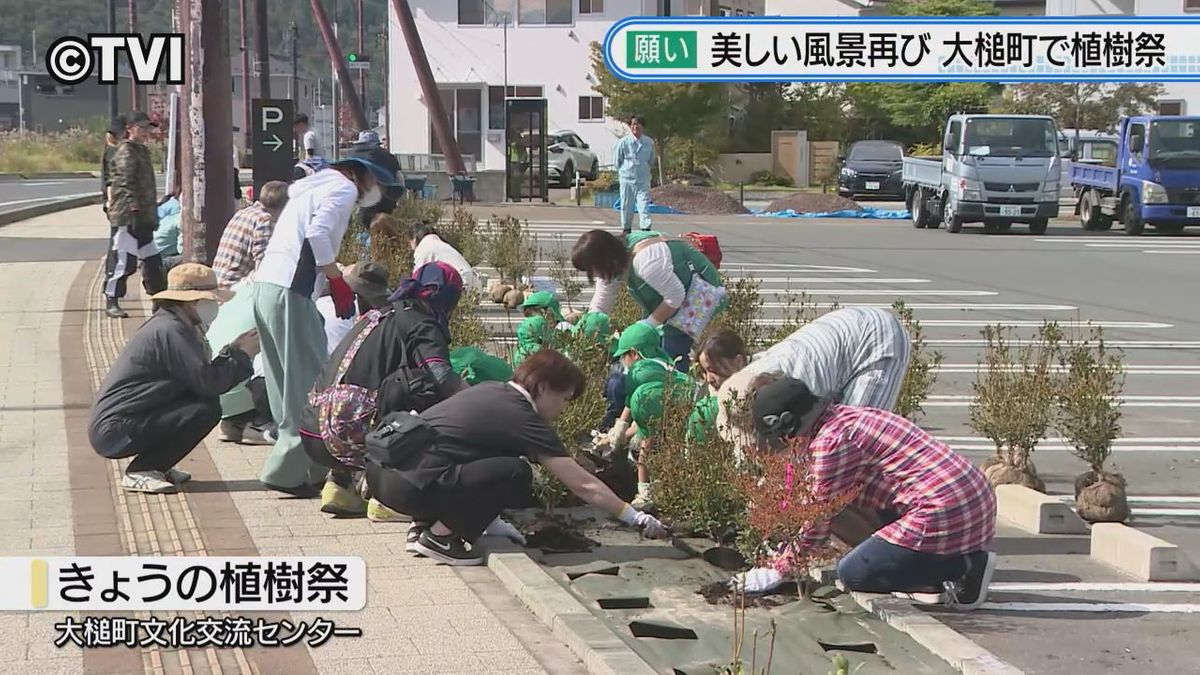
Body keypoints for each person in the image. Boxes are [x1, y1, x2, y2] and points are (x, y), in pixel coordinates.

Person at [365, 349, 671, 566]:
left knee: (473, 459)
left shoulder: (491, 390)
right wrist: (635, 516)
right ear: (543, 388)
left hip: (385, 476)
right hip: (408, 484)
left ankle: (423, 529)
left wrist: (489, 521)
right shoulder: (521, 414)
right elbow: (581, 484)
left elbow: (464, 453)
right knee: (517, 473)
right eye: (564, 399)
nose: (563, 409)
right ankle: (439, 538)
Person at [726, 378, 997, 611]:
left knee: (854, 573)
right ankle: (921, 564)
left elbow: (817, 518)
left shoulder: (830, 443)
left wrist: (777, 569)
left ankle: (963, 567)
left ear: (790, 425)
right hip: (968, 496)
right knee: (846, 512)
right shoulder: (844, 418)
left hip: (946, 507)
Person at [251, 155, 400, 497]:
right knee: (309, 384)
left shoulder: (310, 188)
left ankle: (305, 465)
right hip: (292, 290)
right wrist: (337, 280)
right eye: (378, 182)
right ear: (364, 175)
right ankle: (288, 472)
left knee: (283, 384)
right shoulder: (343, 188)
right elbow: (318, 234)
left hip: (266, 287)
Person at [304, 262, 469, 520]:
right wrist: (482, 402)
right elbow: (443, 377)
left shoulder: (381, 314)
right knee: (424, 388)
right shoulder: (422, 323)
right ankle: (389, 496)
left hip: (313, 429)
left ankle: (340, 484)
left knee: (391, 386)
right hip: (345, 433)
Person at [88, 264, 259, 494]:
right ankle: (144, 469)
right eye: (210, 300)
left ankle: (158, 465)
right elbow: (210, 383)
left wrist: (234, 350)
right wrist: (241, 355)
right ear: (191, 302)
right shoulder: (171, 331)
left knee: (200, 404)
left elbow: (199, 376)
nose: (215, 305)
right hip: (116, 431)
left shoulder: (175, 325)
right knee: (205, 410)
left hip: (124, 422)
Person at [707, 308, 912, 438]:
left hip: (877, 339)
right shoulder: (751, 375)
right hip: (846, 332)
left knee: (854, 437)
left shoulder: (803, 385)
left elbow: (812, 446)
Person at [572, 229, 723, 371]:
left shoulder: (646, 262)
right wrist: (589, 326)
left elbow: (675, 296)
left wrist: (647, 325)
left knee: (671, 351)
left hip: (697, 297)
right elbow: (601, 303)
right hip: (668, 299)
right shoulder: (617, 259)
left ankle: (679, 389)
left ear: (604, 260)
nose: (595, 275)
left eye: (594, 269)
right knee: (650, 345)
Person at [104, 111, 167, 319]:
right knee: (124, 260)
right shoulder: (126, 151)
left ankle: (159, 298)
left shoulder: (141, 150)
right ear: (129, 128)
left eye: (148, 127)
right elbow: (124, 181)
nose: (146, 131)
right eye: (142, 127)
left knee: (152, 260)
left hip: (144, 216)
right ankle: (111, 299)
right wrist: (133, 208)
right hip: (128, 217)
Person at [212, 181, 290, 289]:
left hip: (219, 282)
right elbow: (264, 264)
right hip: (233, 286)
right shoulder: (265, 220)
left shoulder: (243, 213)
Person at [348, 130, 404, 222]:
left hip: (361, 200)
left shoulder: (352, 156)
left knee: (362, 225)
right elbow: (399, 179)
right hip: (386, 200)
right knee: (383, 227)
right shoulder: (388, 156)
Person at [612, 115, 655, 234]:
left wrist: (644, 170)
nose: (635, 126)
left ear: (642, 126)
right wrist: (623, 171)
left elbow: (651, 160)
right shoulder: (624, 142)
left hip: (643, 179)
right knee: (626, 204)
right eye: (633, 124)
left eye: (637, 124)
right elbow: (617, 161)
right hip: (627, 178)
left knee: (644, 203)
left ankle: (645, 228)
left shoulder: (648, 142)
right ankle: (626, 228)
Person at [410, 221, 477, 289]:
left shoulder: (424, 247)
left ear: (414, 239)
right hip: (473, 281)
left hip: (461, 281)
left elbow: (417, 276)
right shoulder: (437, 243)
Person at [101, 114, 126, 283]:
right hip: (117, 204)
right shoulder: (113, 152)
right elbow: (110, 182)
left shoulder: (110, 150)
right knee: (117, 245)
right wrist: (111, 204)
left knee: (118, 245)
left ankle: (112, 281)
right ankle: (110, 280)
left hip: (115, 204)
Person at [153, 194, 184, 270]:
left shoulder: (173, 215)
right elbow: (182, 250)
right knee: (191, 258)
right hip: (157, 260)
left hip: (147, 253)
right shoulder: (182, 220)